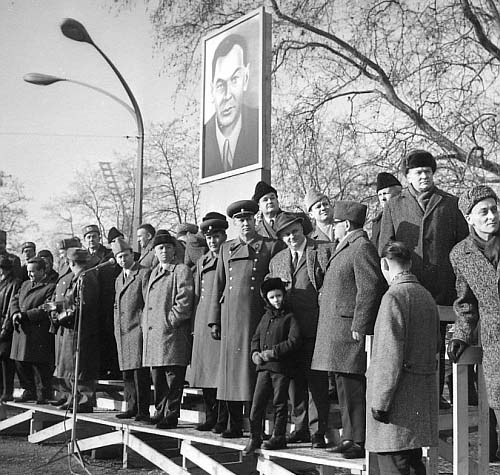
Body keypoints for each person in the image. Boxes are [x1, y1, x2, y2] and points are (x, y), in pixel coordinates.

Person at [378, 150, 469, 410]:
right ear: (407, 176)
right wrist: (393, 279)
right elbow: (384, 245)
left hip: (441, 289)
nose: (424, 176)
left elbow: (463, 246)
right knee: (407, 342)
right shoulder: (395, 205)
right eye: (418, 172)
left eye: (428, 171)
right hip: (406, 286)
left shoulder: (450, 203)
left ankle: (436, 394)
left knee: (436, 343)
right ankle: (408, 394)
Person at [312, 200, 386, 459]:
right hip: (338, 329)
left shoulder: (361, 247)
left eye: (335, 224)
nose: (332, 229)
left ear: (345, 224)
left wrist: (360, 324)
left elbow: (370, 288)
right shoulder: (347, 246)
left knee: (353, 385)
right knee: (343, 384)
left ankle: (358, 439)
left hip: (349, 329)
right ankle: (348, 436)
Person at [208, 200, 285, 438]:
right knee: (231, 374)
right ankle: (233, 423)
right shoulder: (226, 248)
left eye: (249, 219)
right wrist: (214, 320)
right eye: (240, 220)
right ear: (234, 223)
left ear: (255, 220)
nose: (245, 223)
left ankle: (256, 426)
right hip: (230, 318)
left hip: (257, 318)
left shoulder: (270, 246)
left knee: (255, 374)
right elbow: (217, 286)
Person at [366, 241, 439, 474]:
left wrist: (380, 402)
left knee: (394, 466)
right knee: (414, 466)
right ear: (409, 263)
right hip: (418, 404)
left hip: (394, 410)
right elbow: (435, 344)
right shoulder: (426, 296)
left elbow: (389, 357)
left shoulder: (393, 297)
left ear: (384, 264)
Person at [267, 212, 332, 448]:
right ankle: (301, 426)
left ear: (302, 228)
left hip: (316, 327)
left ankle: (317, 431)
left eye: (294, 231)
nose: (291, 237)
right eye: (285, 234)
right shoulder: (278, 260)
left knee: (316, 381)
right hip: (290, 332)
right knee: (295, 381)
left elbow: (329, 286)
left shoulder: (323, 250)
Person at [447, 185, 500, 462]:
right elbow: (466, 304)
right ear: (469, 218)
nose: (491, 216)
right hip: (495, 343)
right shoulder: (460, 254)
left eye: (494, 209)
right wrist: (461, 334)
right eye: (484, 212)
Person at [243, 278, 302, 454]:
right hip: (263, 369)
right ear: (267, 300)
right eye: (272, 297)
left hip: (281, 368)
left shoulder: (290, 318)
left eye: (278, 296)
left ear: (283, 296)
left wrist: (273, 353)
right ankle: (255, 437)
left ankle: (278, 436)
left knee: (279, 403)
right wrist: (255, 354)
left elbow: (294, 341)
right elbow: (255, 338)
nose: (276, 300)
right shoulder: (265, 318)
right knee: (257, 403)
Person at [142, 230, 194, 429]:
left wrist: (170, 320)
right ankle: (160, 410)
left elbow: (184, 300)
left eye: (168, 247)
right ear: (155, 251)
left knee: (173, 377)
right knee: (158, 377)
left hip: (171, 333)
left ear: (174, 250)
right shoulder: (155, 271)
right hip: (155, 335)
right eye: (160, 248)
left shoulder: (180, 270)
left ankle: (171, 414)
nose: (164, 251)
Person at [190, 212, 229, 432]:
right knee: (205, 373)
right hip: (202, 320)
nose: (212, 241)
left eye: (216, 236)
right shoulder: (202, 261)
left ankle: (222, 419)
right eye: (209, 237)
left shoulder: (227, 257)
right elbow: (197, 295)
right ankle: (210, 416)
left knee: (220, 374)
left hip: (220, 320)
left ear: (224, 236)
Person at [52, 248, 100, 413]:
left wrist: (62, 316)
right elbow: (72, 300)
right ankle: (74, 398)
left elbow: (83, 305)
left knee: (81, 366)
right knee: (71, 366)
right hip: (74, 327)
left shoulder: (86, 278)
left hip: (82, 329)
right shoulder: (78, 278)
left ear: (70, 262)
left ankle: (84, 400)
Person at [203, 34, 259, 177]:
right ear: (211, 89)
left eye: (234, 79)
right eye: (221, 84)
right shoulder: (205, 137)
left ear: (245, 79)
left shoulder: (258, 126)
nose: (227, 95)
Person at [112, 238, 151, 422]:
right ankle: (131, 406)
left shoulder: (143, 273)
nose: (122, 260)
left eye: (125, 255)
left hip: (137, 329)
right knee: (127, 372)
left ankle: (143, 410)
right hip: (122, 331)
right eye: (119, 257)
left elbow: (147, 302)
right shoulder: (119, 278)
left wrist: (143, 327)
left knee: (139, 373)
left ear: (132, 254)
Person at [10, 257, 56, 404]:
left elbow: (46, 308)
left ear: (42, 271)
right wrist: (15, 312)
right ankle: (28, 390)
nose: (30, 275)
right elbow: (14, 299)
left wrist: (26, 315)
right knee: (20, 363)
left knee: (38, 365)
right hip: (21, 330)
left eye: (33, 272)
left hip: (37, 332)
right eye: (28, 271)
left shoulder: (50, 287)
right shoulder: (24, 285)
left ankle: (42, 393)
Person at [82, 224, 121, 379]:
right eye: (88, 237)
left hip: (106, 301)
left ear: (99, 238)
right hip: (91, 303)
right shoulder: (82, 257)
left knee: (108, 335)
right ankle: (98, 369)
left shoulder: (108, 255)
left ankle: (111, 369)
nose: (92, 239)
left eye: (94, 236)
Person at [0, 257, 21, 402]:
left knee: (5, 358)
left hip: (6, 326)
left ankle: (7, 391)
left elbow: (10, 307)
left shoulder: (14, 283)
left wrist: (5, 328)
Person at [370, 172, 402, 249]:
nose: (382, 198)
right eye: (380, 195)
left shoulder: (405, 215)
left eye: (385, 193)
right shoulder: (377, 222)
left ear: (398, 194)